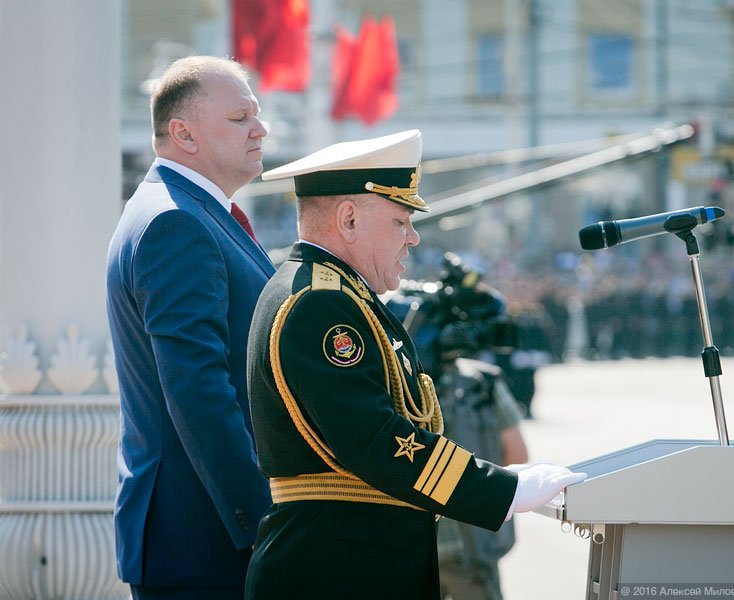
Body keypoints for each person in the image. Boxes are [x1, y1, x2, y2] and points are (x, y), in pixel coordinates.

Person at [244, 129, 586, 599]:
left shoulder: (337, 295)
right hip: (334, 569)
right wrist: (499, 489)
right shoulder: (320, 304)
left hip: (349, 563)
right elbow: (375, 438)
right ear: (348, 219)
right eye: (400, 221)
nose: (413, 237)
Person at [106, 55, 275, 599]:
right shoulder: (176, 221)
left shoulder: (187, 211)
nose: (260, 128)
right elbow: (197, 387)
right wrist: (260, 521)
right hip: (204, 537)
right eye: (239, 117)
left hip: (201, 531)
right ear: (183, 132)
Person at [385, 272, 529, 600]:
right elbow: (517, 452)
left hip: (409, 548)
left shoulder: (389, 386)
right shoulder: (482, 382)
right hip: (471, 540)